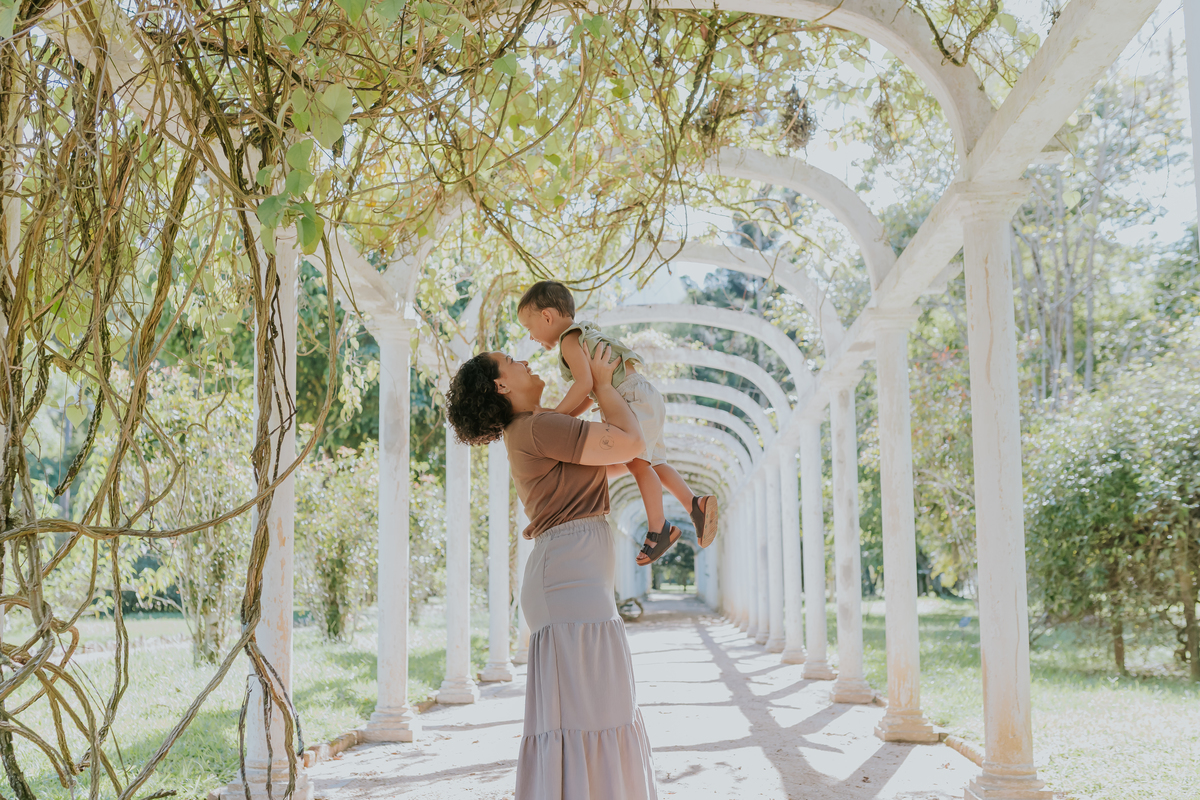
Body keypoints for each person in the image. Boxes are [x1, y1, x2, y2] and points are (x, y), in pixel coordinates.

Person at [446, 343, 658, 800]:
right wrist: (602, 383)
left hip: (574, 575)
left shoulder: (537, 427)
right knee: (590, 714)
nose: (524, 361)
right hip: (567, 580)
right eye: (512, 362)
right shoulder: (534, 428)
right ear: (501, 385)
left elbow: (622, 458)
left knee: (601, 710)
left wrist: (602, 394)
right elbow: (634, 443)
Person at [515, 280, 718, 566]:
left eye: (529, 328)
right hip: (643, 395)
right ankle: (693, 504)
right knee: (656, 462)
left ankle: (659, 527)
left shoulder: (569, 340)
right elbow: (592, 390)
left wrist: (555, 416)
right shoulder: (584, 333)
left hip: (630, 399)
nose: (532, 337)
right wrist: (565, 415)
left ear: (547, 317)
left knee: (637, 462)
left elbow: (585, 383)